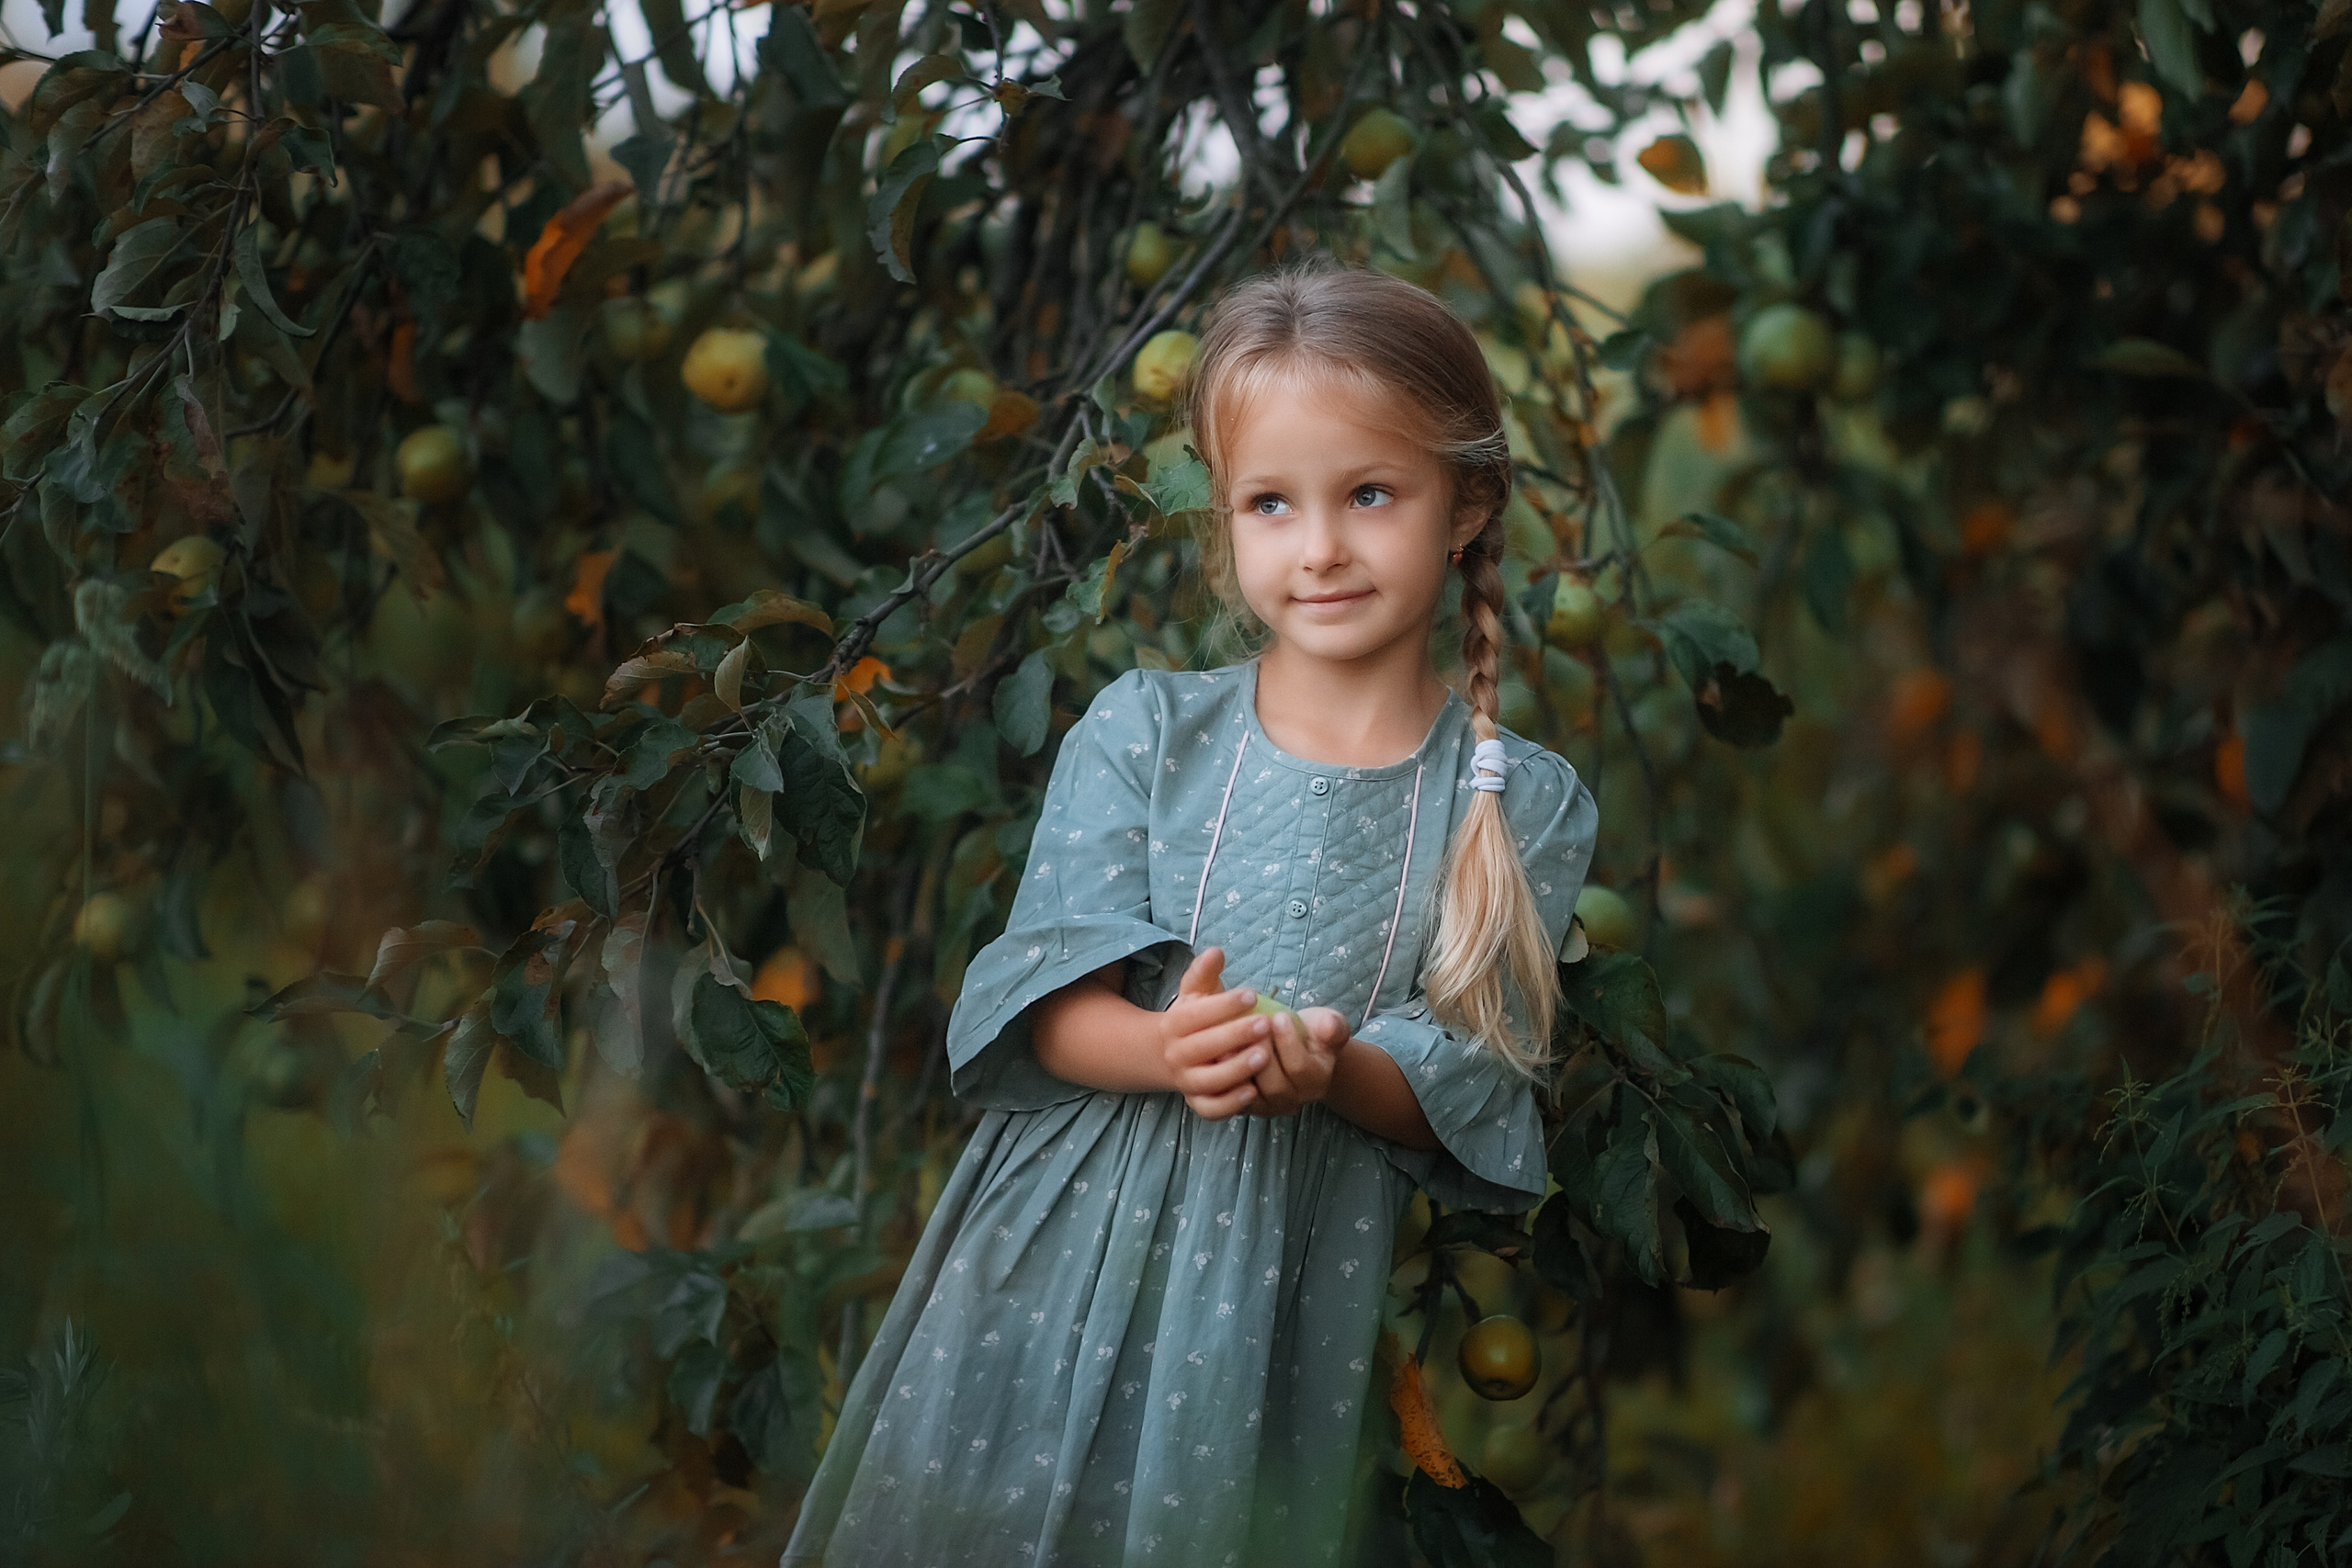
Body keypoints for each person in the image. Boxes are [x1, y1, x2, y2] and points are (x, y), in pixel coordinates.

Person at [780, 263, 1600, 1567]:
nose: (1320, 545)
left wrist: (1325, 1069)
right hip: (1051, 1253)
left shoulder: (1514, 805)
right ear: (1228, 527)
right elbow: (1046, 1006)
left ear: (1468, 502)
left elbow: (1470, 1072)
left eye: (1369, 493)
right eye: (1272, 503)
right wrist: (1174, 1048)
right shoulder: (1151, 729)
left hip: (1275, 1293)